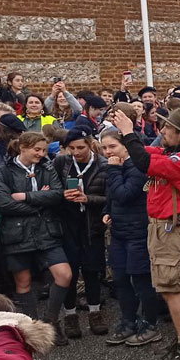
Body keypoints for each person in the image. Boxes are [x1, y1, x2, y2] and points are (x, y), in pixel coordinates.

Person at [107, 106, 180, 360]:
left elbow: (143, 161)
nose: (162, 131)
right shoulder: (172, 154)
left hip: (172, 230)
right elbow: (138, 153)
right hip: (164, 228)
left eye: (168, 127)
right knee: (170, 286)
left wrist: (129, 131)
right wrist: (123, 135)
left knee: (170, 287)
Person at [0, 131, 74, 338]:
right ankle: (33, 329)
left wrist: (25, 196)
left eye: (44, 150)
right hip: (16, 233)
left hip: (47, 230)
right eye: (37, 150)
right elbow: (3, 203)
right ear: (23, 148)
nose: (41, 154)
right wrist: (39, 202)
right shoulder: (3, 171)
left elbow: (56, 195)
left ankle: (50, 321)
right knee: (23, 282)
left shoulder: (47, 167)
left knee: (64, 275)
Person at [99, 128, 160, 346]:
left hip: (138, 232)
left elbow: (124, 194)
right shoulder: (115, 167)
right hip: (119, 232)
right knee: (121, 278)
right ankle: (128, 321)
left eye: (112, 146)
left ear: (125, 146)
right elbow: (112, 197)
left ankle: (150, 323)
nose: (108, 151)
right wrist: (106, 211)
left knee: (142, 280)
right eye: (104, 148)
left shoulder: (136, 167)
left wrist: (114, 170)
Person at [54, 127, 109, 338]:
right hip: (68, 224)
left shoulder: (103, 165)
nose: (76, 152)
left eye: (80, 148)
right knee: (70, 271)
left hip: (92, 225)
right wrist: (62, 194)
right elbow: (51, 188)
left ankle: (95, 312)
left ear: (90, 144)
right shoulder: (62, 162)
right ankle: (70, 315)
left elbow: (109, 198)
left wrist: (88, 199)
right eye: (72, 148)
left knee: (92, 270)